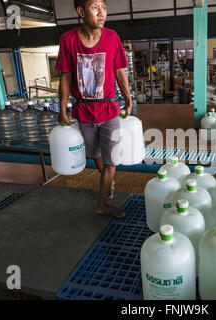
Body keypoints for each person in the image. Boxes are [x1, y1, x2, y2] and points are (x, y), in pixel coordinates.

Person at [55, 0, 132, 218]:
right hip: (84, 111)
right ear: (81, 11)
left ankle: (102, 203)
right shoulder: (68, 40)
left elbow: (119, 72)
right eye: (95, 7)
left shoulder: (112, 37)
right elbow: (66, 77)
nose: (101, 13)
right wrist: (63, 109)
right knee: (96, 154)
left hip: (109, 110)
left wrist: (128, 98)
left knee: (111, 161)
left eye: (104, 8)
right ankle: (108, 182)